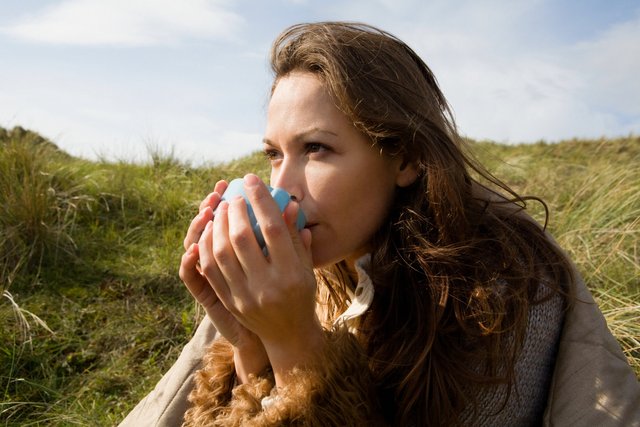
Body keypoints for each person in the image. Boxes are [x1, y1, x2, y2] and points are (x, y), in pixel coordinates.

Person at [120, 22, 640, 426]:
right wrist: (249, 345)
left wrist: (297, 348)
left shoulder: (502, 295)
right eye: (275, 154)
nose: (284, 187)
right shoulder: (314, 268)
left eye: (316, 149)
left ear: (406, 159)